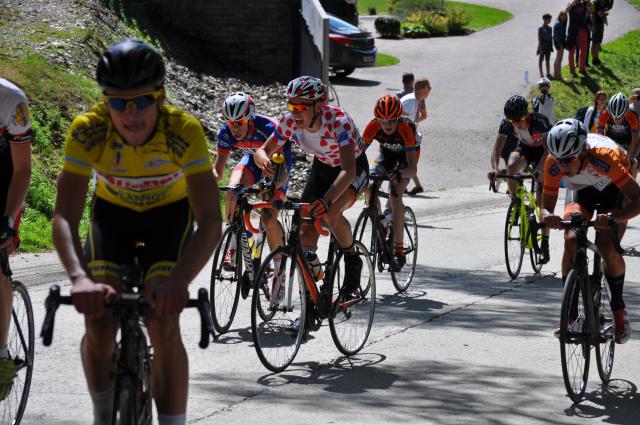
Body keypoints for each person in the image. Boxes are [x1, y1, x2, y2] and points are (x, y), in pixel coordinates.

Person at [51, 39, 221, 425]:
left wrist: (180, 280)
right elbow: (64, 216)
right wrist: (79, 279)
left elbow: (210, 219)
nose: (131, 113)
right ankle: (103, 414)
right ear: (105, 102)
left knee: (163, 321)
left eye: (142, 101)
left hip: (168, 217)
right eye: (118, 102)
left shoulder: (184, 131)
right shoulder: (87, 131)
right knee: (98, 318)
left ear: (160, 98)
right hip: (113, 217)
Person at [253, 76, 369, 299]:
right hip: (323, 167)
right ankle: (313, 301)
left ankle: (352, 260)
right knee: (305, 232)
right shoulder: (290, 122)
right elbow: (262, 150)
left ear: (319, 104)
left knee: (331, 212)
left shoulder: (338, 121)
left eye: (301, 107)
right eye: (291, 105)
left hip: (352, 167)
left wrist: (326, 200)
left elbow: (349, 170)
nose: (295, 113)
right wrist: (263, 160)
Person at [542, 119, 638, 343]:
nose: (563, 166)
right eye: (559, 160)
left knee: (606, 247)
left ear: (583, 150)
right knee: (571, 238)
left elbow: (637, 199)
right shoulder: (553, 163)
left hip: (613, 190)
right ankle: (571, 314)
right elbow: (546, 206)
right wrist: (548, 218)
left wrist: (615, 217)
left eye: (569, 160)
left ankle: (618, 308)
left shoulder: (605, 157)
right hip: (582, 192)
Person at [213, 92, 291, 272]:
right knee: (232, 191)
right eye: (230, 122)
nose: (234, 128)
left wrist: (271, 185)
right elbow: (217, 171)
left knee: (268, 218)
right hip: (251, 160)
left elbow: (281, 172)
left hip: (277, 162)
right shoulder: (225, 133)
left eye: (239, 123)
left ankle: (279, 271)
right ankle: (234, 247)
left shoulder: (268, 127)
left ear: (249, 118)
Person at [0, 78, 32, 401]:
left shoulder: (11, 100)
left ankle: (1, 355)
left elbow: (23, 170)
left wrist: (8, 220)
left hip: (5, 182)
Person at [362, 95, 418, 271]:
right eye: (383, 121)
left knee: (395, 197)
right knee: (369, 187)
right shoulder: (372, 126)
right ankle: (382, 223)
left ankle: (399, 251)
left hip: (405, 161)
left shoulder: (406, 127)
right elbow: (357, 153)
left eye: (392, 121)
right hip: (385, 157)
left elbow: (412, 168)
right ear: (377, 119)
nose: (387, 125)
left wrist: (399, 173)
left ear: (398, 118)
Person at [501, 94, 552, 262]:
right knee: (511, 167)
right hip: (525, 149)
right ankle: (515, 202)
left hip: (543, 153)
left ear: (527, 114)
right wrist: (495, 170)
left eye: (520, 119)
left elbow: (548, 150)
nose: (516, 124)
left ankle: (545, 242)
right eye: (512, 121)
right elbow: (496, 150)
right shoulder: (508, 124)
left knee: (541, 197)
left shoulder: (540, 121)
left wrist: (539, 170)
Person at [401, 78, 431, 195]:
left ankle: (407, 187)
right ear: (424, 89)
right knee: (407, 164)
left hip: (406, 140)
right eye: (429, 88)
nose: (429, 90)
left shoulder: (414, 100)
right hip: (403, 141)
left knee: (407, 164)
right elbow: (400, 121)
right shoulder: (410, 101)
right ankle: (403, 187)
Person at [596, 92, 640, 158]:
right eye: (613, 117)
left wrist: (631, 158)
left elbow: (635, 141)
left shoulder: (632, 116)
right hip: (611, 141)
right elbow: (599, 135)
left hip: (628, 144)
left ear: (626, 112)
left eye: (620, 118)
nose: (616, 121)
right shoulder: (605, 113)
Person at [488, 117, 520, 188]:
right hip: (509, 149)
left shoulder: (532, 123)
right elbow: (496, 149)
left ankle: (504, 176)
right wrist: (495, 169)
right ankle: (503, 176)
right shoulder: (506, 124)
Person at [566, 0, 591, 76]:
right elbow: (566, 11)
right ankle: (572, 69)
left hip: (582, 29)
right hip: (572, 30)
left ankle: (582, 69)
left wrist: (587, 2)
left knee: (584, 49)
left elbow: (591, 10)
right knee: (571, 50)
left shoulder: (584, 4)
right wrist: (573, 2)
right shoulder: (570, 4)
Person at [590, 0, 610, 65]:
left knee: (598, 42)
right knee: (595, 42)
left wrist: (604, 13)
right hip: (596, 24)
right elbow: (599, 14)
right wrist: (604, 14)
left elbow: (604, 12)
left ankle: (597, 58)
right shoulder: (596, 3)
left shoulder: (602, 2)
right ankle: (594, 59)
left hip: (600, 23)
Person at [538, 14, 554, 79]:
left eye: (550, 20)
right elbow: (540, 39)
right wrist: (540, 48)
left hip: (548, 46)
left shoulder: (550, 28)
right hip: (542, 46)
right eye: (549, 19)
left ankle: (548, 73)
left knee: (548, 59)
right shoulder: (540, 29)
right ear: (544, 19)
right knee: (541, 60)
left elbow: (550, 38)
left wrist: (551, 47)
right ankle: (541, 73)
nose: (550, 21)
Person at [553, 11, 568, 80]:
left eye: (565, 16)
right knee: (559, 60)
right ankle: (559, 76)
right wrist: (561, 45)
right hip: (559, 43)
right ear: (560, 16)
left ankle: (556, 75)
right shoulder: (559, 24)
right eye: (563, 16)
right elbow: (558, 36)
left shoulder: (558, 22)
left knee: (557, 59)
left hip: (557, 43)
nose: (564, 17)